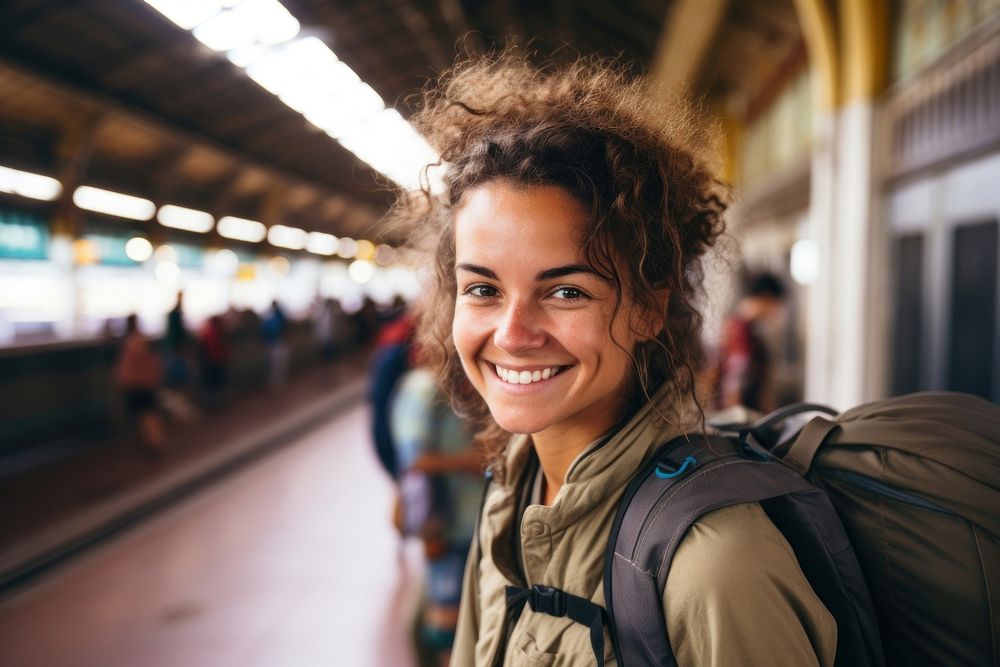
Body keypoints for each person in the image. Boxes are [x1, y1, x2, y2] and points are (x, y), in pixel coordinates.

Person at [391, 52, 836, 666]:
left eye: (567, 291)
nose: (514, 334)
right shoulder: (510, 497)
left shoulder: (715, 565)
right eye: (483, 289)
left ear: (650, 308)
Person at [714, 271, 787, 413]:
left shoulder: (740, 325)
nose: (776, 312)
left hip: (743, 411)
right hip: (740, 414)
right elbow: (735, 379)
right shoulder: (742, 328)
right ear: (766, 297)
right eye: (775, 304)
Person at [115, 314, 166, 454]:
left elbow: (128, 368)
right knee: (148, 415)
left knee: (145, 415)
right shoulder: (142, 340)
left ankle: (153, 443)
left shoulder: (131, 343)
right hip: (144, 384)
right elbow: (153, 363)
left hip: (136, 384)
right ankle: (154, 442)